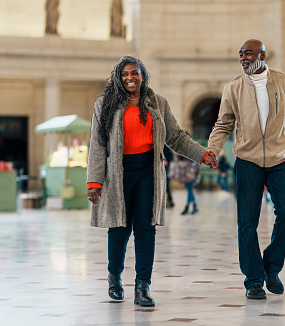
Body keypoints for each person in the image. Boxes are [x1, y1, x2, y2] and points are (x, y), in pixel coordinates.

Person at [86, 56, 217, 306]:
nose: (129, 78)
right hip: (118, 173)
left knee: (146, 230)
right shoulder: (104, 104)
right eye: (124, 74)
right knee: (119, 229)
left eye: (134, 73)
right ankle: (114, 278)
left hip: (148, 172)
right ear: (117, 77)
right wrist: (94, 182)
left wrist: (202, 154)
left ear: (143, 75)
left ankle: (142, 286)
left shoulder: (157, 103)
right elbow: (98, 144)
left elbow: (176, 137)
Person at [207, 39, 285, 300]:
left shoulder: (282, 81)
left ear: (262, 55)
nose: (243, 58)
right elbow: (223, 124)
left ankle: (272, 268)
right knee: (247, 222)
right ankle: (253, 280)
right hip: (247, 161)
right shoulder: (233, 88)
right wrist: (213, 150)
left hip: (281, 159)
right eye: (240, 54)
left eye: (248, 53)